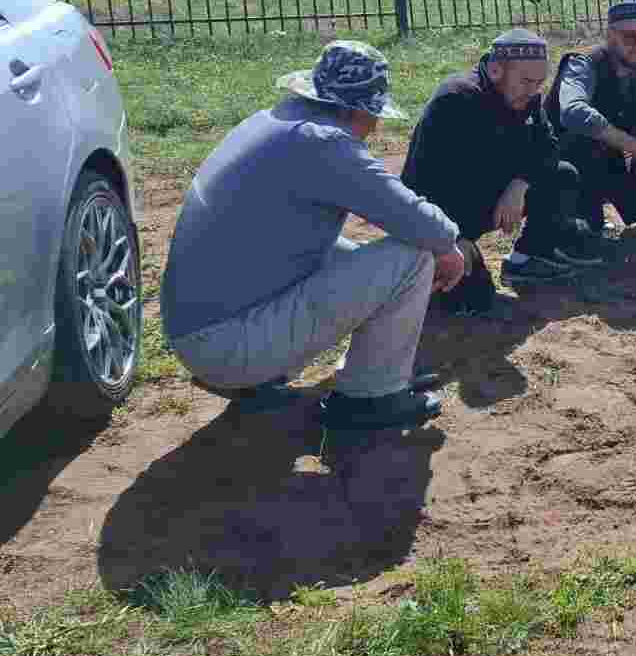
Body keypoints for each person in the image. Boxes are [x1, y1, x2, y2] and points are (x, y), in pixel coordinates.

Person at [159, 41, 466, 431]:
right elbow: (416, 219)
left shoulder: (273, 120)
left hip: (199, 334)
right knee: (412, 259)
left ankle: (370, 372)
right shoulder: (321, 142)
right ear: (355, 110)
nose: (375, 126)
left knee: (353, 257)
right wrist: (449, 247)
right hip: (228, 346)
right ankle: (371, 398)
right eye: (373, 114)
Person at [401, 29, 607, 316]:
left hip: (492, 196)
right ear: (496, 69)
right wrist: (450, 237)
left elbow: (548, 147)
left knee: (562, 175)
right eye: (526, 81)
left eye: (539, 83)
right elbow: (417, 183)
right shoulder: (455, 100)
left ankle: (528, 258)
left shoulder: (526, 97)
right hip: (444, 211)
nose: (534, 91)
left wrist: (519, 185)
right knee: (472, 303)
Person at [549, 0, 636, 232]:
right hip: (561, 162)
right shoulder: (583, 63)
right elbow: (573, 112)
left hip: (610, 158)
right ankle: (571, 222)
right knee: (587, 146)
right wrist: (635, 147)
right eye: (631, 38)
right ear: (610, 35)